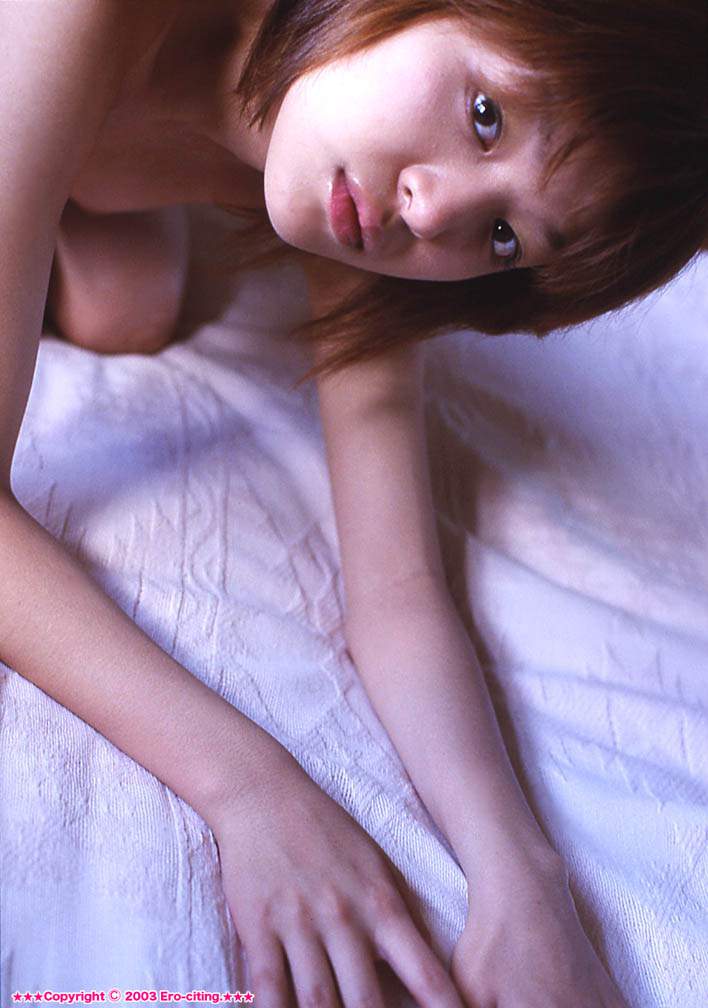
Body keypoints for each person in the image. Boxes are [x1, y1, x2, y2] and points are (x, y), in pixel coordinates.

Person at [2, 2, 704, 1006]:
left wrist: (523, 883)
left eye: (504, 236)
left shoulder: (348, 170)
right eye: (486, 114)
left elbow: (399, 588)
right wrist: (251, 789)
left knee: (132, 305)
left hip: (106, 129)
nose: (434, 211)